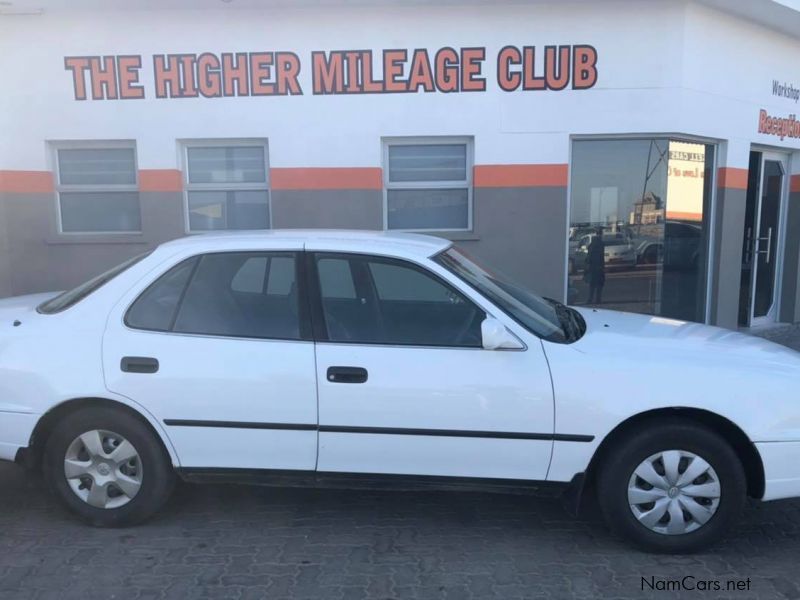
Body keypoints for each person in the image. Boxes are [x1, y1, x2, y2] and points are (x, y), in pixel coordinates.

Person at [585, 228, 606, 304]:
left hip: (592, 267)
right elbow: (601, 257)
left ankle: (590, 299)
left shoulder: (592, 244)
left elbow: (589, 256)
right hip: (598, 266)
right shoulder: (601, 244)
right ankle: (597, 299)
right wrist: (602, 266)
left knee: (592, 284)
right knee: (599, 284)